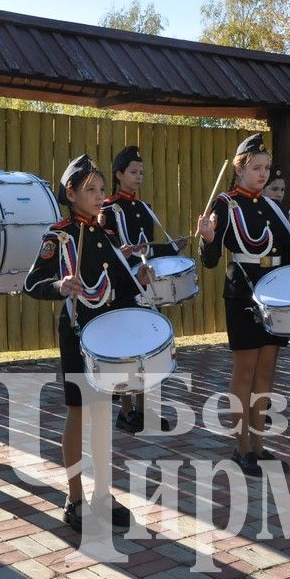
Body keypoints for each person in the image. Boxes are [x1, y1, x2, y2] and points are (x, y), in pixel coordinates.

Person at [24, 154, 155, 531]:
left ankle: (103, 492)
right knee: (79, 413)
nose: (99, 196)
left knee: (101, 417)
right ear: (71, 193)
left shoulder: (105, 234)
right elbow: (32, 284)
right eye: (90, 190)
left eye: (101, 189)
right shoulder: (59, 235)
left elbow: (125, 289)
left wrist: (140, 277)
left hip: (108, 339)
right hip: (77, 335)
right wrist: (59, 285)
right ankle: (74, 496)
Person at [196, 134, 290, 476]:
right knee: (245, 371)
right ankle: (241, 448)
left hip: (275, 295)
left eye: (266, 168)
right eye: (256, 168)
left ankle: (259, 445)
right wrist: (208, 240)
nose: (263, 174)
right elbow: (211, 260)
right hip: (242, 294)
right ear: (239, 170)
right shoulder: (225, 204)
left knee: (267, 370)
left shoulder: (272, 206)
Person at [100, 145, 187, 433]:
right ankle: (126, 412)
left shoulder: (142, 207)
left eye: (142, 173)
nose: (139, 177)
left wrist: (173, 247)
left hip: (145, 285)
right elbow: (110, 253)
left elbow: (146, 246)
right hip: (123, 289)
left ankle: (144, 410)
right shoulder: (109, 209)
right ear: (119, 174)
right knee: (128, 351)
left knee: (147, 349)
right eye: (133, 172)